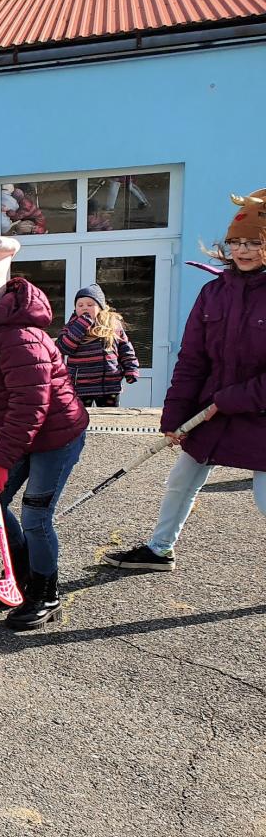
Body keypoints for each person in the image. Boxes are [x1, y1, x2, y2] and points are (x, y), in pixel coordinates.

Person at [105, 189, 266, 572]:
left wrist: (231, 399)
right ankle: (159, 550)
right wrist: (174, 416)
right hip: (211, 413)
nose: (242, 250)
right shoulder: (213, 293)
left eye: (254, 242)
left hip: (254, 414)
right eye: (236, 242)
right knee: (181, 480)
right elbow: (192, 359)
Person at [0, 235, 89, 630]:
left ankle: (46, 593)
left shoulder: (20, 337)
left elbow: (30, 406)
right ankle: (20, 573)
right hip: (21, 432)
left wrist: (2, 461)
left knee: (36, 516)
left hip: (56, 436)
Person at [56, 284, 139, 407]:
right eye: (80, 305)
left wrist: (131, 369)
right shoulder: (71, 326)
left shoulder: (113, 325)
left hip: (109, 385)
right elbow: (64, 348)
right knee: (81, 416)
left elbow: (125, 349)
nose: (85, 307)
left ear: (100, 307)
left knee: (109, 417)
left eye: (90, 305)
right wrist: (81, 325)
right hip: (81, 386)